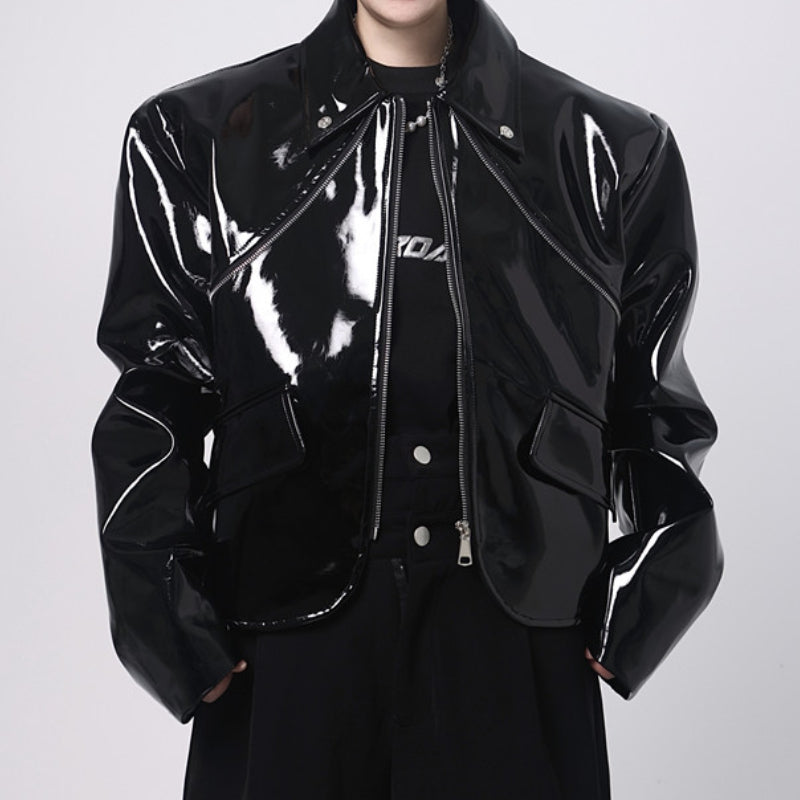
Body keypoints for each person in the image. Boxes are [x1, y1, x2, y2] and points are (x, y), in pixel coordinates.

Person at [90, 0, 724, 797]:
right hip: (283, 650)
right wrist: (173, 633)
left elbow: (654, 407)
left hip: (517, 646)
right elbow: (153, 397)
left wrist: (642, 604)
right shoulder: (196, 137)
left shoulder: (613, 150)